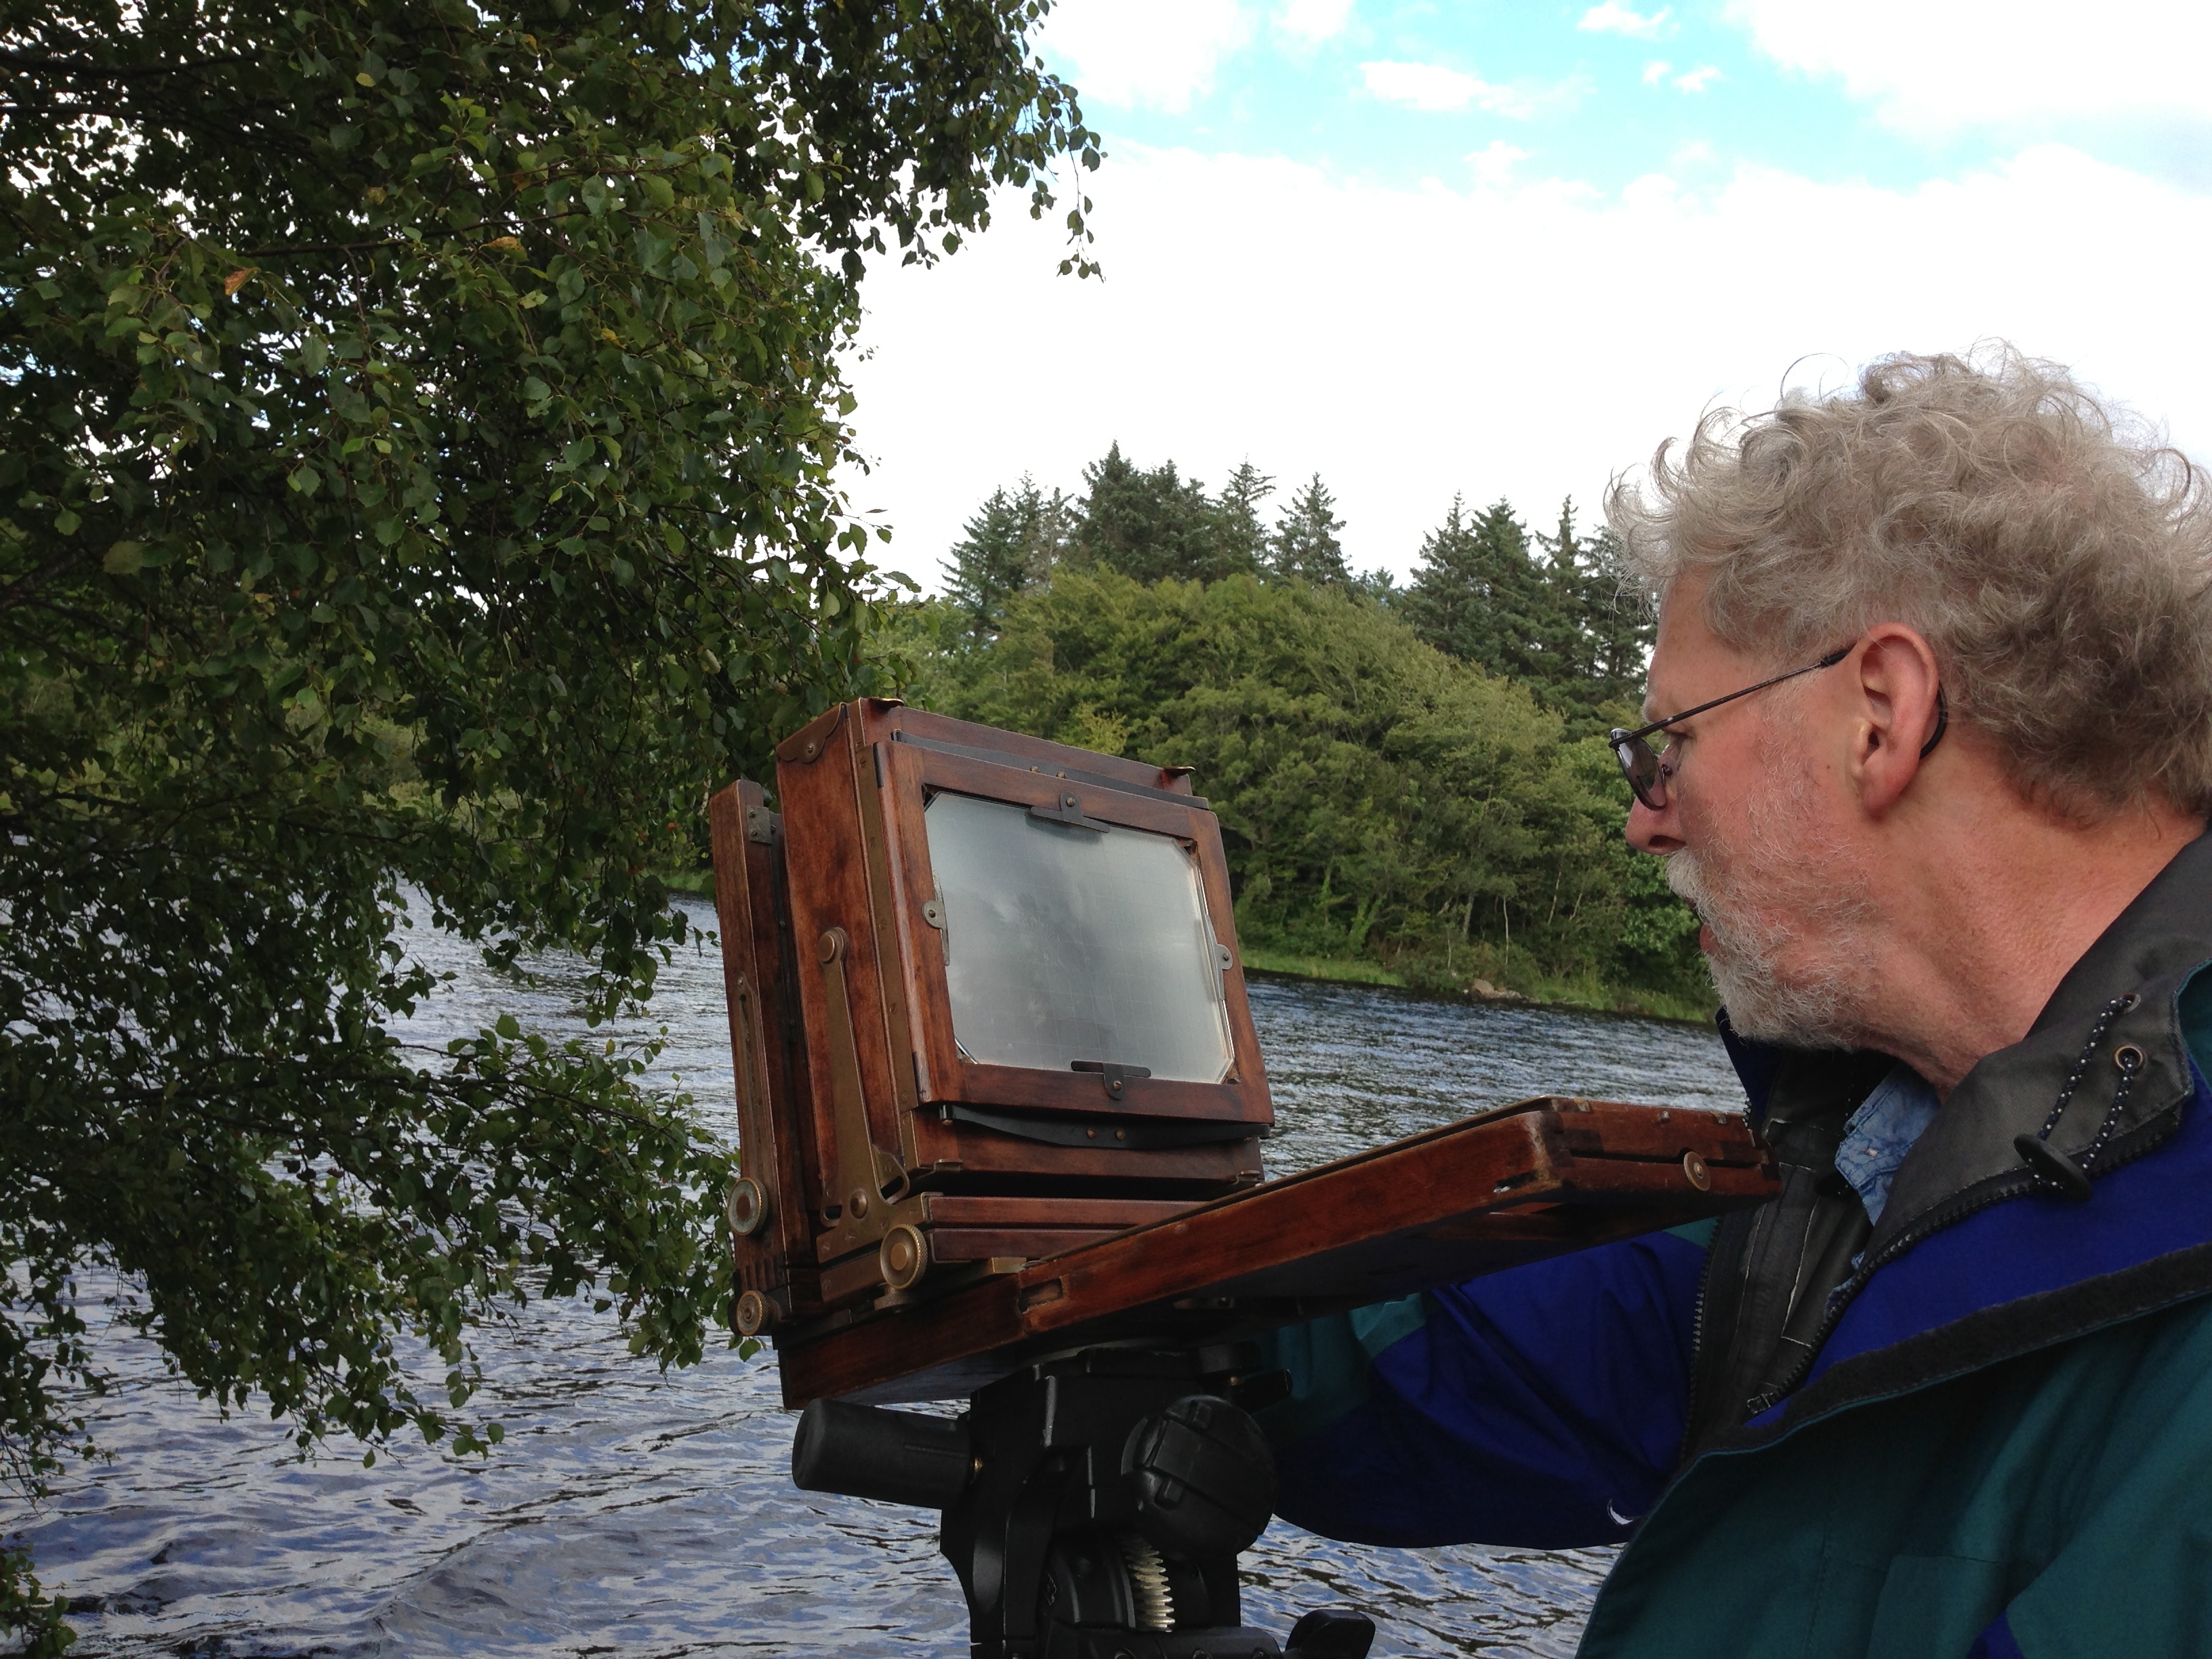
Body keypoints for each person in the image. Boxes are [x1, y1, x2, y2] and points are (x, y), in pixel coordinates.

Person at [1257, 349, 2212, 1658]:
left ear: (1881, 715)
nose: (1645, 821)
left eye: (1672, 743)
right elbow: (1433, 1365)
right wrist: (1112, 1306)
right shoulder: (1872, 1167)